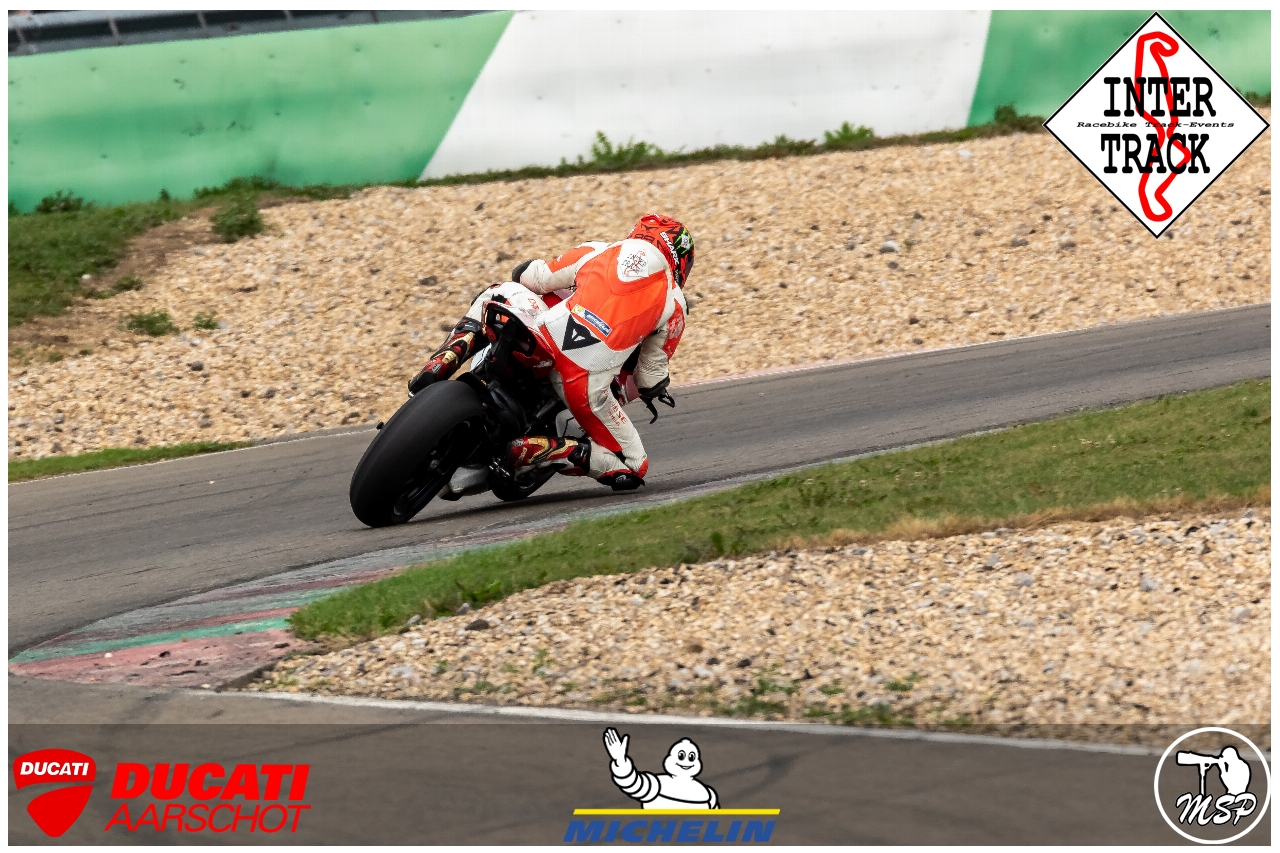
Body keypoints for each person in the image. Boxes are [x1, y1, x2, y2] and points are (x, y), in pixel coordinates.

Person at [408, 214, 694, 491]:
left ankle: (442, 361)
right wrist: (658, 388)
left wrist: (531, 271)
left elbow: (534, 277)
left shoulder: (599, 249)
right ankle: (534, 450)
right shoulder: (675, 302)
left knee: (499, 291)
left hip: (542, 336)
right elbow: (648, 378)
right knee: (633, 465)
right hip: (582, 382)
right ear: (680, 261)